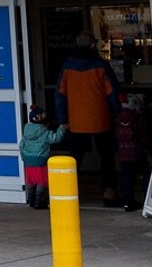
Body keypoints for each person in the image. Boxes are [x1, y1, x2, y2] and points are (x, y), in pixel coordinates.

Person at [55, 31, 121, 206]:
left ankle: (68, 194)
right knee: (106, 158)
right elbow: (112, 93)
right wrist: (117, 113)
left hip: (77, 121)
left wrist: (62, 118)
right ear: (92, 45)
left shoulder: (68, 66)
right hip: (101, 119)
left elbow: (60, 94)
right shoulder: (101, 65)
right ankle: (109, 193)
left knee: (74, 158)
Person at [18, 105, 66, 209]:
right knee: (41, 180)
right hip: (40, 160)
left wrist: (23, 157)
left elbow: (21, 145)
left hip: (28, 160)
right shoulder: (44, 132)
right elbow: (55, 139)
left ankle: (31, 200)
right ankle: (39, 202)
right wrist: (61, 128)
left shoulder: (26, 131)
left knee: (31, 181)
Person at [113, 95, 147, 212]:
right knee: (146, 173)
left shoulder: (118, 118)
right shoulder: (135, 117)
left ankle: (127, 201)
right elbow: (141, 134)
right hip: (135, 152)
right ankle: (148, 198)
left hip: (123, 154)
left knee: (126, 177)